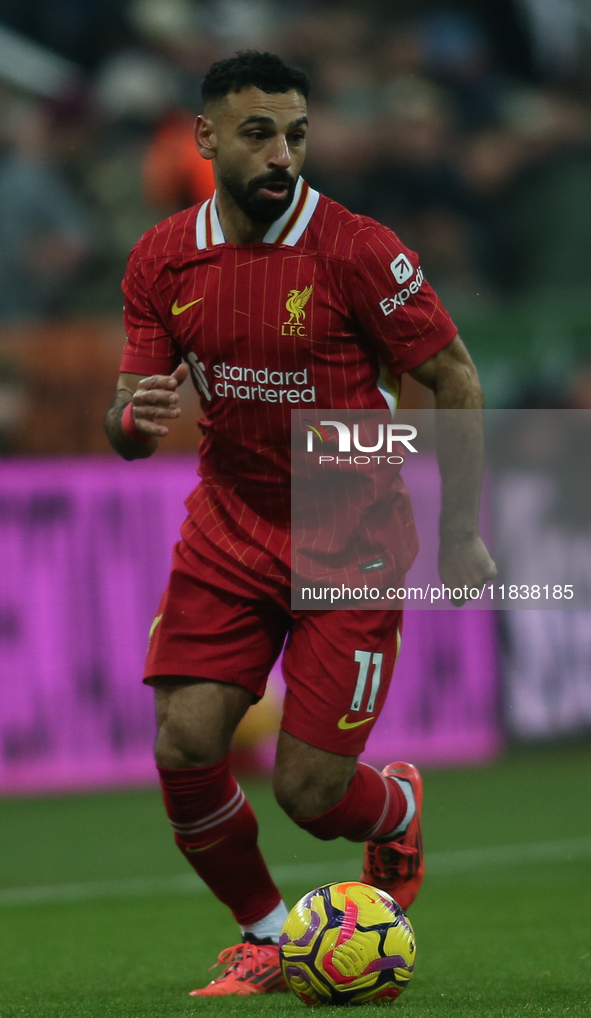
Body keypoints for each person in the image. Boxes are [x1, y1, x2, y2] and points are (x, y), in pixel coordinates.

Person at [104, 51, 496, 997]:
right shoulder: (163, 256)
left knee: (311, 797)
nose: (282, 153)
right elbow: (127, 416)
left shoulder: (358, 249)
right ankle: (271, 937)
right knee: (184, 747)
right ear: (204, 139)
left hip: (346, 532)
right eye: (257, 133)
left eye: (296, 133)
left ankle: (393, 804)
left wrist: (458, 533)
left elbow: (453, 377)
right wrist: (129, 422)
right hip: (228, 527)